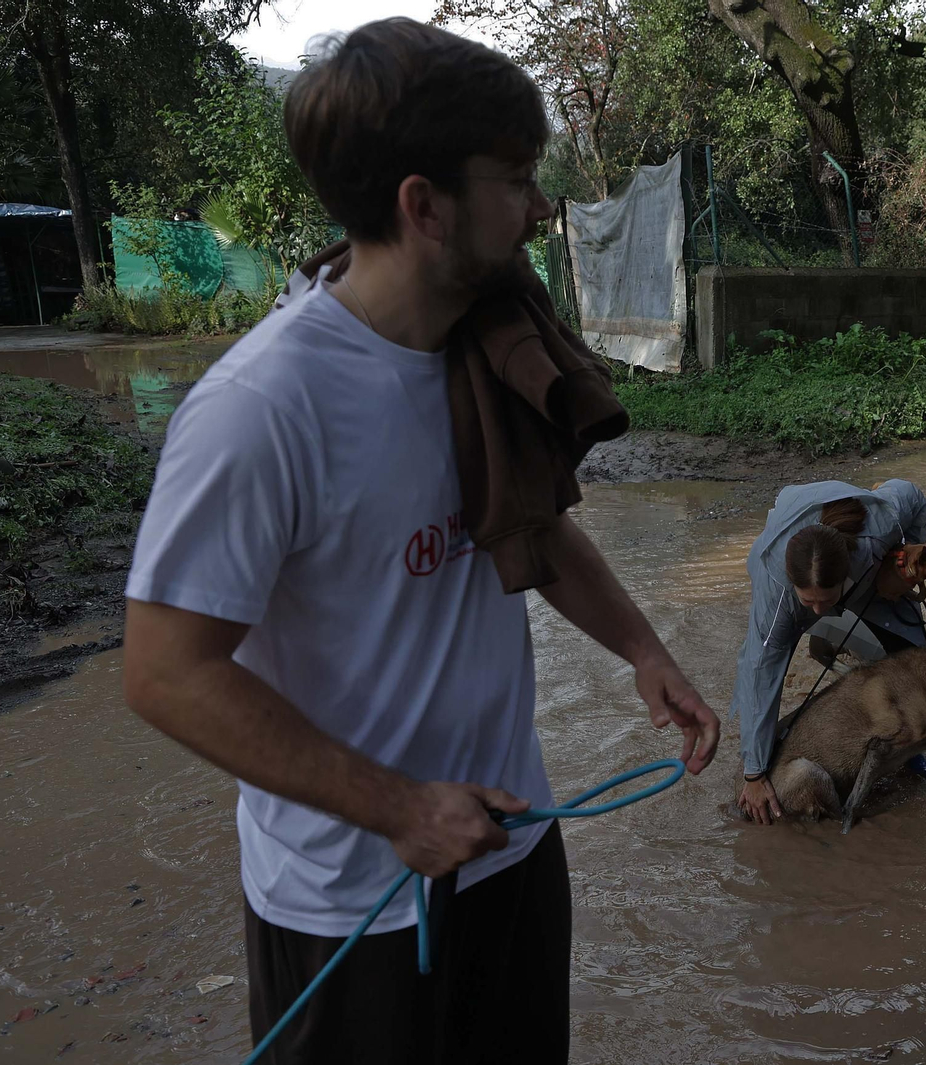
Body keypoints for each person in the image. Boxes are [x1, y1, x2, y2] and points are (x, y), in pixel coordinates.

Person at [120, 20, 718, 1063]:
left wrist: (643, 651)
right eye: (519, 179)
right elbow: (166, 674)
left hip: (511, 850)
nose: (539, 209)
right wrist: (396, 808)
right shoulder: (262, 408)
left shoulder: (477, 349)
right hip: (356, 902)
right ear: (422, 205)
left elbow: (526, 528)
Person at [732, 479, 926, 823]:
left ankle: (913, 756)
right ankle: (765, 754)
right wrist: (754, 774)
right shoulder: (778, 593)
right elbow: (759, 676)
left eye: (824, 601)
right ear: (793, 587)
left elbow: (914, 495)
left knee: (917, 663)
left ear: (847, 577)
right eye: (807, 601)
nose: (816, 610)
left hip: (867, 575)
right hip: (783, 567)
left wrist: (908, 563)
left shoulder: (880, 526)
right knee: (764, 667)